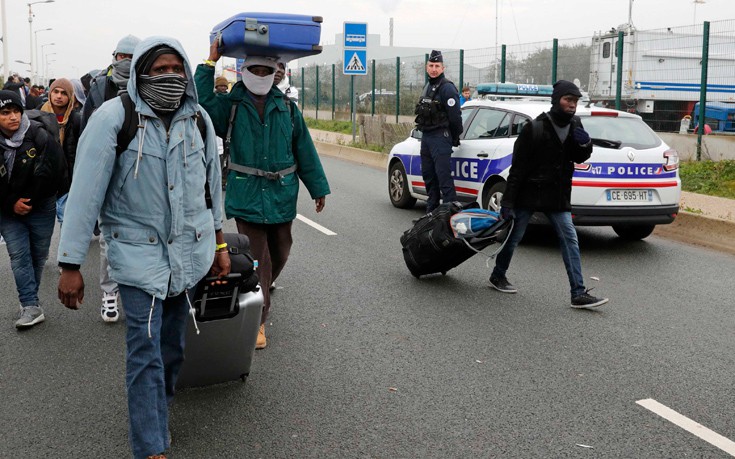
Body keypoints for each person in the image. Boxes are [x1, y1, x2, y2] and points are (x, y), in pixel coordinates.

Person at [57, 36, 229, 459]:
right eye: (159, 69)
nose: (169, 77)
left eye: (176, 69)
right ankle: (150, 444)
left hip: (187, 257)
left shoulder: (200, 120)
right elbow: (85, 194)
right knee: (144, 350)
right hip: (136, 256)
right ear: (140, 73)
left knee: (173, 348)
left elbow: (212, 191)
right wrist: (70, 263)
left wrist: (220, 243)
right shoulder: (113, 119)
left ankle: (158, 407)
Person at [195, 40, 331, 350]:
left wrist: (318, 187)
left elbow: (304, 150)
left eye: (265, 70)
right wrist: (209, 62)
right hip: (246, 194)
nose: (259, 74)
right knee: (258, 259)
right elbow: (200, 101)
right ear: (243, 71)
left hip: (282, 194)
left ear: (274, 73)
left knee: (281, 250)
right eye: (254, 69)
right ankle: (258, 320)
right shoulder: (228, 105)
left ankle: (260, 289)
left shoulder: (286, 108)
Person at [489, 80, 609, 309]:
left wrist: (585, 145)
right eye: (568, 100)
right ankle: (498, 275)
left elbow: (579, 156)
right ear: (557, 100)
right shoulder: (534, 128)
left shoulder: (575, 125)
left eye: (575, 101)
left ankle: (578, 293)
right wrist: (508, 202)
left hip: (557, 195)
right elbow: (518, 169)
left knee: (570, 240)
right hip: (528, 193)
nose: (572, 105)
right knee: (514, 237)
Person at [81, 34, 141, 323]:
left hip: (142, 173)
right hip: (108, 174)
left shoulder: (147, 84)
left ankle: (139, 292)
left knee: (143, 237)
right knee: (108, 238)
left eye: (132, 57)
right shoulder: (99, 88)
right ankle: (109, 293)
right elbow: (88, 133)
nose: (126, 62)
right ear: (114, 56)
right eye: (122, 57)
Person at [0, 90, 67, 328]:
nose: (12, 117)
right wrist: (10, 203)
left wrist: (28, 200)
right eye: (5, 113)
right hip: (7, 211)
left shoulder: (39, 135)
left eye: (16, 111)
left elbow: (54, 170)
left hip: (40, 204)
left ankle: (31, 300)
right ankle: (29, 304)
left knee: (38, 256)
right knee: (19, 256)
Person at [414, 50, 462, 213]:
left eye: (437, 66)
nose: (434, 69)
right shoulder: (428, 86)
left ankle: (449, 216)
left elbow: (455, 117)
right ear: (427, 67)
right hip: (427, 137)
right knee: (429, 176)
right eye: (431, 65)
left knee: (443, 178)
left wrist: (453, 137)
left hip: (441, 136)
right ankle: (431, 215)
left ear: (443, 68)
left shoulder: (447, 88)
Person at [40, 78, 81, 226]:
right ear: (50, 93)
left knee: (68, 222)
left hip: (67, 180)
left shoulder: (76, 120)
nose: (58, 96)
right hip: (43, 180)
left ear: (70, 97)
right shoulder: (38, 117)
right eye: (55, 92)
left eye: (64, 93)